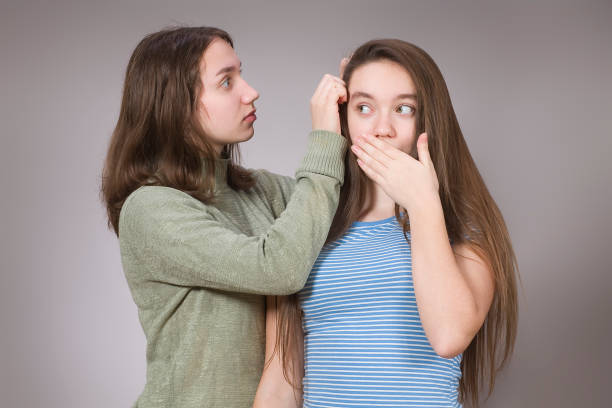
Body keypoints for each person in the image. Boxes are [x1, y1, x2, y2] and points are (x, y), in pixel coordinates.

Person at [254, 39, 519, 408]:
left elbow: (448, 335)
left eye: (403, 109)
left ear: (428, 119)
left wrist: (423, 202)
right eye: (364, 107)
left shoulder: (463, 231)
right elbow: (282, 378)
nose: (382, 128)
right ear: (343, 118)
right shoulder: (308, 229)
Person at [101, 26, 349, 407]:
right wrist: (325, 139)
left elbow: (340, 201)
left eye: (241, 75)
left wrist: (357, 110)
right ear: (175, 105)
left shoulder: (258, 190)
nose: (250, 92)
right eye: (227, 82)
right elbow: (278, 267)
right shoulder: (150, 209)